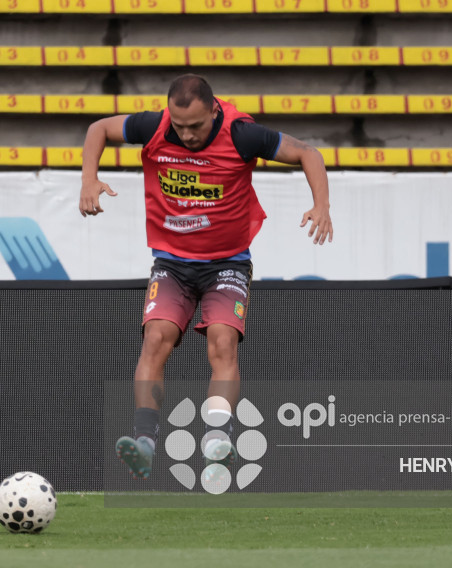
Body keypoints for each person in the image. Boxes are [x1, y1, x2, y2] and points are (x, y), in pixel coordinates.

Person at [79, 74, 333, 480]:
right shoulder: (154, 126)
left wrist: (321, 205)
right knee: (155, 339)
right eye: (179, 127)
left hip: (227, 263)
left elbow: (307, 153)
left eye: (195, 127)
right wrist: (88, 179)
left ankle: (219, 437)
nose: (187, 135)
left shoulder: (242, 135)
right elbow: (99, 129)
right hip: (171, 262)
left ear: (213, 111)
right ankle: (144, 442)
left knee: (222, 343)